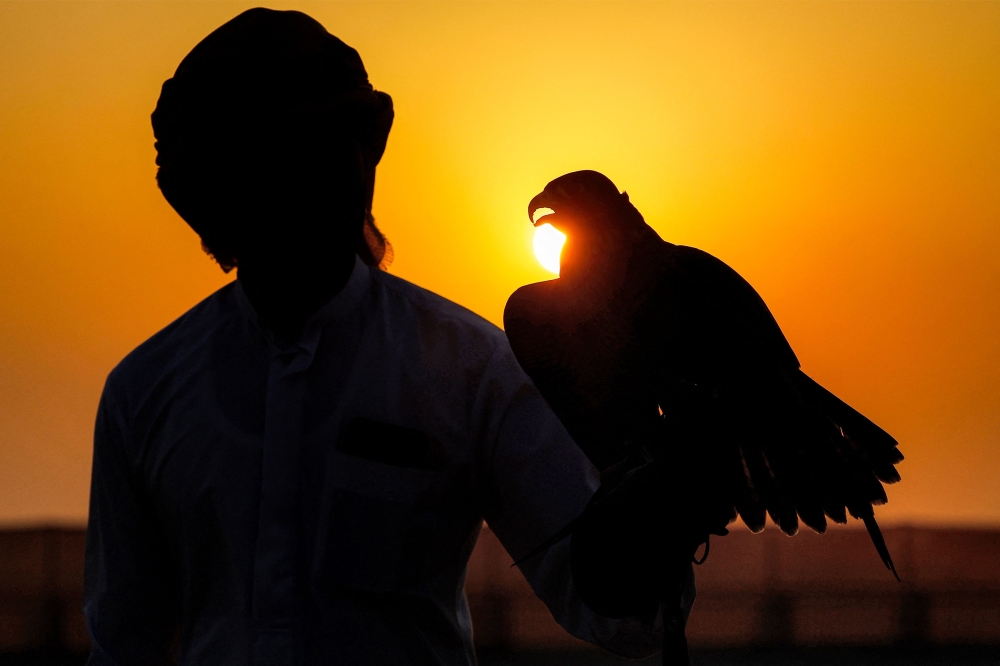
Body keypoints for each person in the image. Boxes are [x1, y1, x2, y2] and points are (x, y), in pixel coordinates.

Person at [83, 8, 678, 664]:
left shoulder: (471, 370)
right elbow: (123, 643)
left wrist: (665, 491)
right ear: (225, 192)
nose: (328, 179)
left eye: (341, 149)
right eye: (285, 160)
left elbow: (621, 610)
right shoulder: (144, 395)